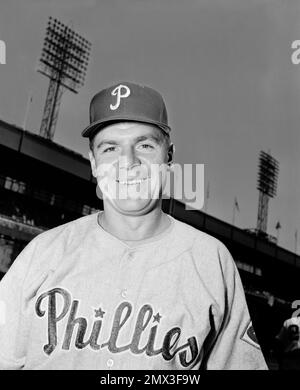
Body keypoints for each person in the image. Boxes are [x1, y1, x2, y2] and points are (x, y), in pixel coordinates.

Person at [0, 81, 268, 370]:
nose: (127, 162)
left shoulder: (211, 260)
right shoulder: (42, 253)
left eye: (145, 145)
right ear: (92, 161)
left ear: (169, 156)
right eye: (110, 148)